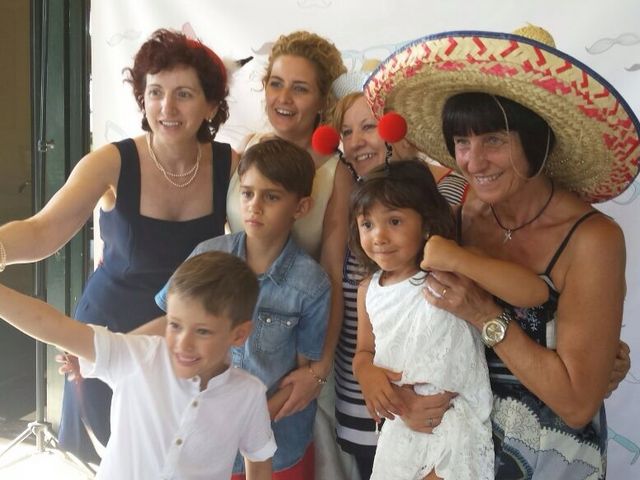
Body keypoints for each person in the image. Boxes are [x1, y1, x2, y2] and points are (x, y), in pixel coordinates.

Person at [364, 24, 638, 479]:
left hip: (547, 458)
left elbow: (574, 404)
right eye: (462, 143)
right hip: (448, 449)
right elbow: (402, 312)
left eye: (494, 140)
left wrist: (485, 313)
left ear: (535, 141)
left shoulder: (592, 239)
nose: (473, 162)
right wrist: (400, 398)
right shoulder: (450, 206)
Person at [0, 28, 234, 462]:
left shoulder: (232, 166)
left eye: (184, 94)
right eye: (155, 92)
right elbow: (41, 231)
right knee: (110, 458)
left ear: (211, 105)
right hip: (109, 332)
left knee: (177, 458)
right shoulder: (112, 161)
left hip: (185, 336)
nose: (167, 107)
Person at [351, 159, 553, 480]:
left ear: (426, 222)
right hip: (403, 426)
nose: (379, 236)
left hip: (456, 422)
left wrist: (459, 259)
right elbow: (364, 351)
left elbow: (534, 293)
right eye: (367, 224)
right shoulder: (368, 290)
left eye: (394, 221)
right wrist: (366, 374)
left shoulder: (451, 271)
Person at [0, 251, 276, 479]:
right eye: (174, 325)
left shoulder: (248, 395)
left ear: (239, 334)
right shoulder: (140, 356)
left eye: (202, 331)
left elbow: (259, 459)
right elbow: (53, 325)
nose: (183, 343)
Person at [154, 138, 331, 479]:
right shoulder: (208, 254)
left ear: (301, 207)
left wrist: (243, 423)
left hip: (277, 446)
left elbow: (301, 379)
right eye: (248, 193)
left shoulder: (311, 284)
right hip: (197, 443)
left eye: (272, 196)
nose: (255, 206)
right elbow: (167, 329)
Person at [225, 30, 353, 478]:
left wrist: (317, 371)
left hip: (299, 345)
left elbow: (333, 273)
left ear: (321, 100)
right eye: (276, 83)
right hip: (233, 339)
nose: (284, 97)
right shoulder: (246, 150)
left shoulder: (339, 172)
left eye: (300, 88)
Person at [329, 90, 469, 480]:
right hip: (373, 404)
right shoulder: (350, 199)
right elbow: (362, 339)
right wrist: (372, 378)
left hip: (439, 415)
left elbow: (459, 333)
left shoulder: (451, 191)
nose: (356, 140)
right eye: (346, 131)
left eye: (369, 126)